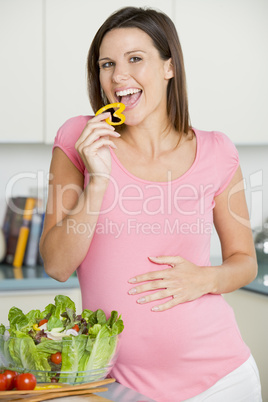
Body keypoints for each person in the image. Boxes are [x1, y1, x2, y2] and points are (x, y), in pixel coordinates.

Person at [39, 6, 262, 402]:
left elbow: (245, 260)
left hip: (222, 380)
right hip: (117, 384)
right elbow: (57, 266)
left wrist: (205, 279)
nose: (118, 75)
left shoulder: (216, 150)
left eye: (135, 59)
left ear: (169, 67)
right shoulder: (80, 137)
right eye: (107, 63)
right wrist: (98, 179)